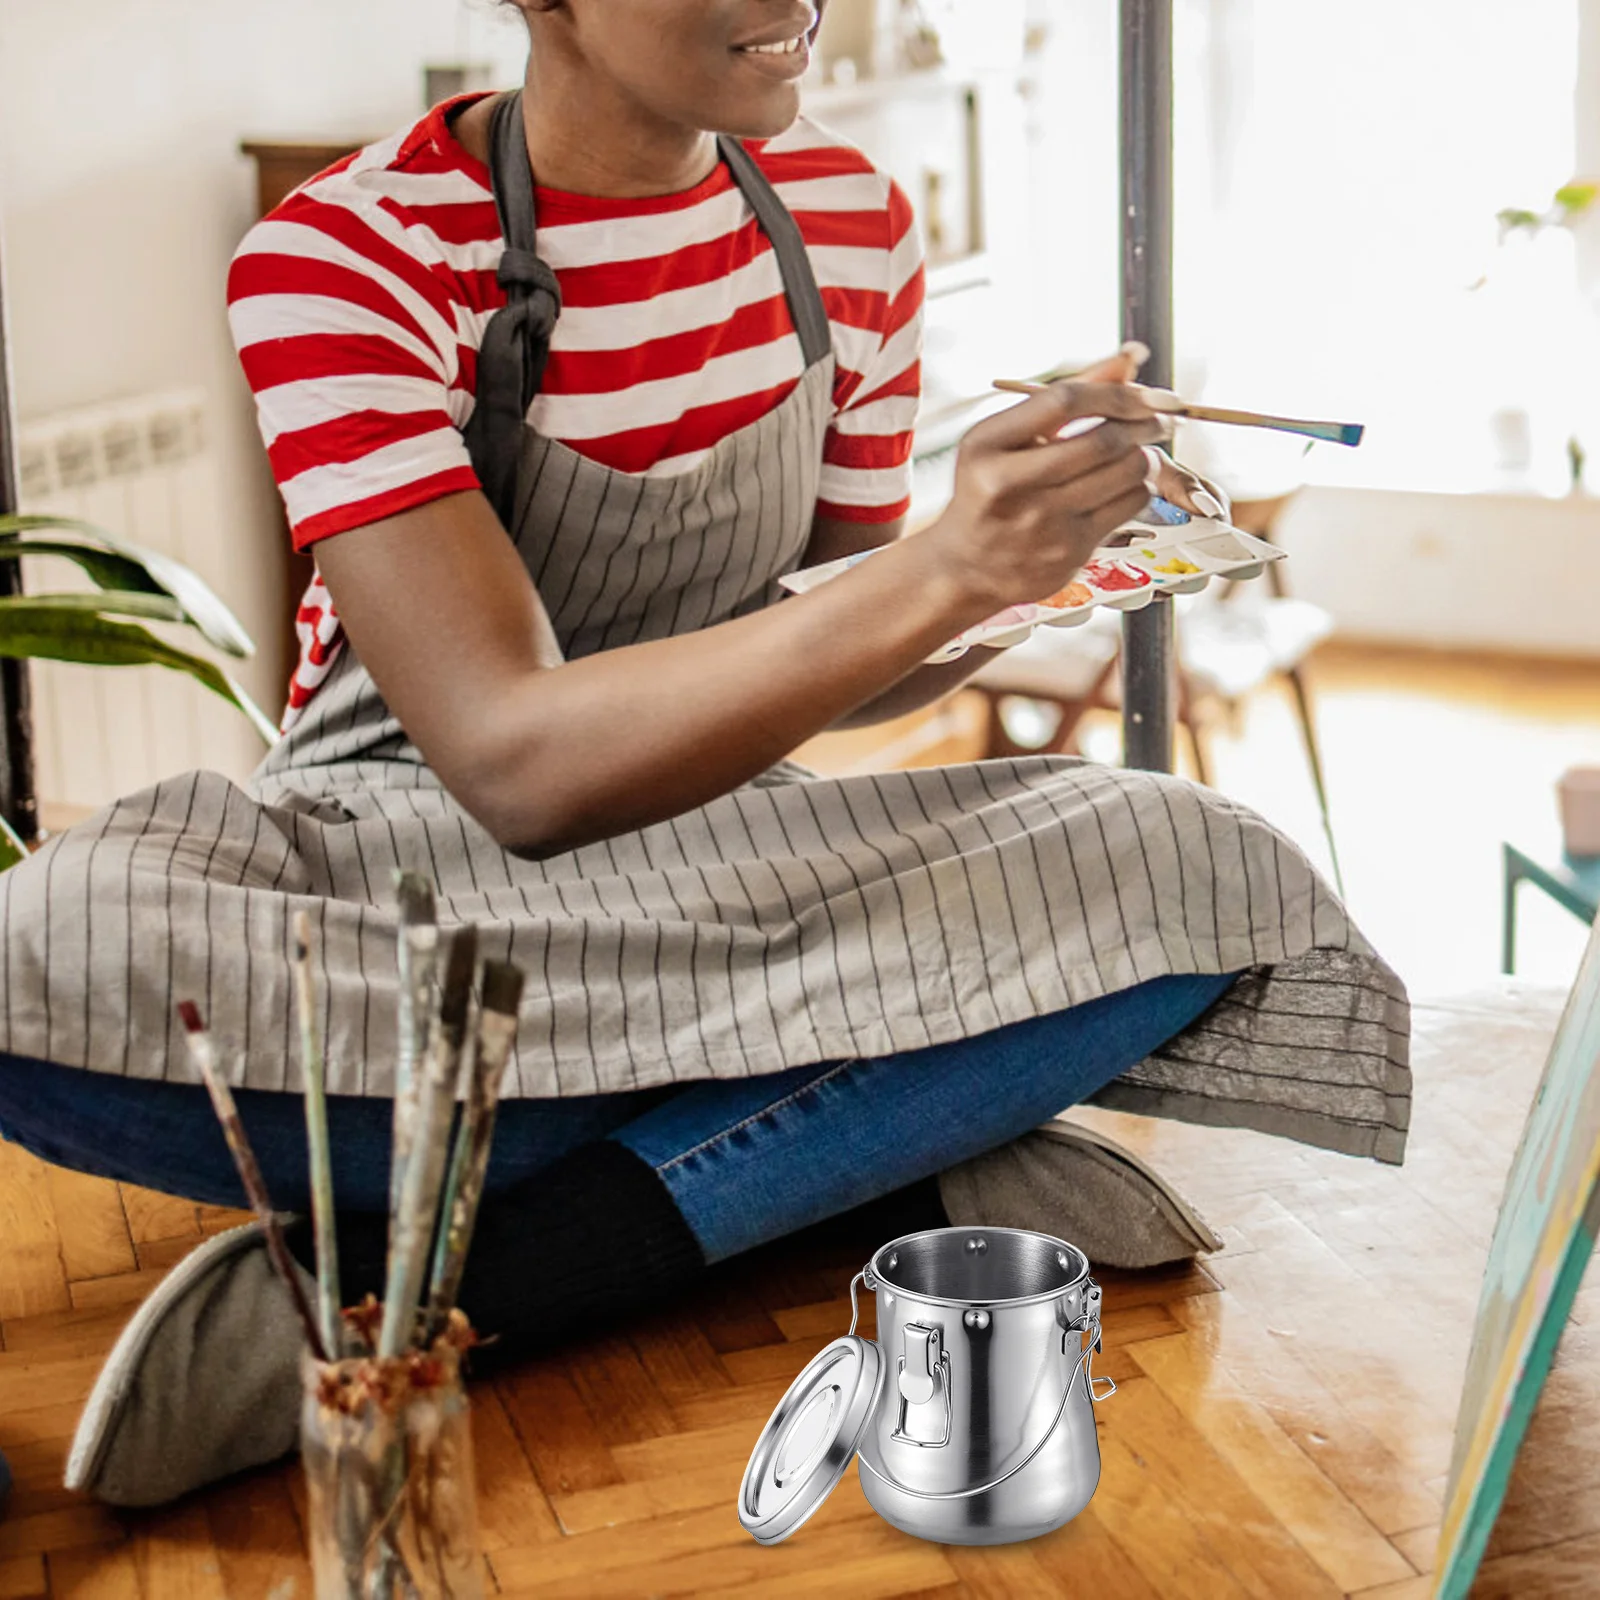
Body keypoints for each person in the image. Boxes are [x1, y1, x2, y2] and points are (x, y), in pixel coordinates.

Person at [0, 0, 1409, 1509]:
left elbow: (838, 656)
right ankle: (850, 1148)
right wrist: (940, 569)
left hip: (716, 854)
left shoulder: (852, 226)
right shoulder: (347, 254)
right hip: (404, 854)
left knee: (1198, 856)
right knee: (45, 943)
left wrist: (1007, 573)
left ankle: (485, 1277)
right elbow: (513, 760)